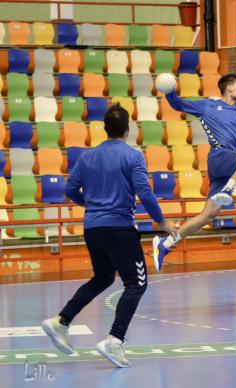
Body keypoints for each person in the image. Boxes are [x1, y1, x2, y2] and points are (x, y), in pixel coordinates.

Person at [41, 104, 176, 368]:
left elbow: (70, 189)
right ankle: (114, 339)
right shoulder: (133, 156)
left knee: (103, 277)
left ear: (105, 128)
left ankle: (61, 321)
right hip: (119, 229)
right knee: (136, 284)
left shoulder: (87, 157)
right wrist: (161, 221)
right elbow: (145, 193)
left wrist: (90, 205)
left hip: (93, 228)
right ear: (128, 129)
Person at [152, 74, 236, 270]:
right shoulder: (207, 106)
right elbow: (178, 104)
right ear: (229, 89)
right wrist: (170, 90)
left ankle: (165, 244)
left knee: (209, 215)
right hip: (219, 156)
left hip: (229, 166)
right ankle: (228, 189)